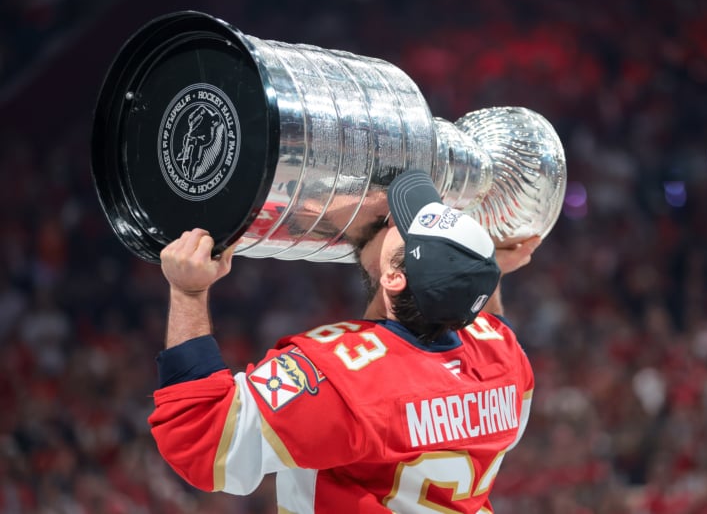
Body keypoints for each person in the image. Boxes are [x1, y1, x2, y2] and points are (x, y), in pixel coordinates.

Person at [148, 170, 542, 513]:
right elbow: (482, 321)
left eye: (398, 225)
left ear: (395, 278)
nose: (389, 218)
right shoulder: (504, 357)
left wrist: (188, 294)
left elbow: (202, 440)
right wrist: (473, 269)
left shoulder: (341, 379)